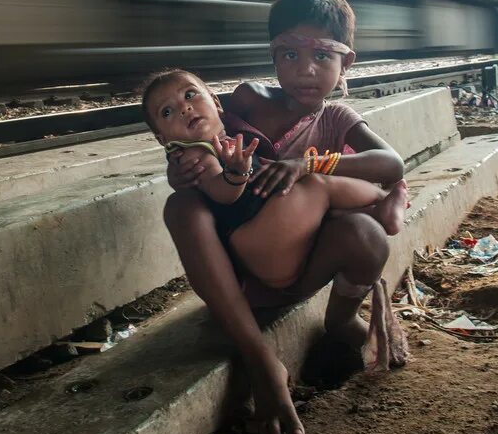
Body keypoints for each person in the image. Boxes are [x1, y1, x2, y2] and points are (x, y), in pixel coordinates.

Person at [163, 0, 409, 434]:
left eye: (321, 55)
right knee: (183, 206)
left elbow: (391, 161)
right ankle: (261, 362)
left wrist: (309, 164)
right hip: (237, 271)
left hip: (301, 264)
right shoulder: (246, 102)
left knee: (366, 235)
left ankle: (339, 320)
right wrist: (181, 169)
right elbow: (193, 134)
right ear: (273, 57)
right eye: (289, 54)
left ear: (346, 63)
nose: (305, 70)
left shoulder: (335, 119)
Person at [142, 69, 393, 290]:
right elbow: (223, 193)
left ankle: (373, 207)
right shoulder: (197, 154)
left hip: (271, 246)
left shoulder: (225, 139)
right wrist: (236, 173)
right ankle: (383, 201)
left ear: (216, 102)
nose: (185, 108)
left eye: (189, 95)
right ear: (162, 139)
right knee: (318, 184)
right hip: (263, 244)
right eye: (167, 111)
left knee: (315, 195)